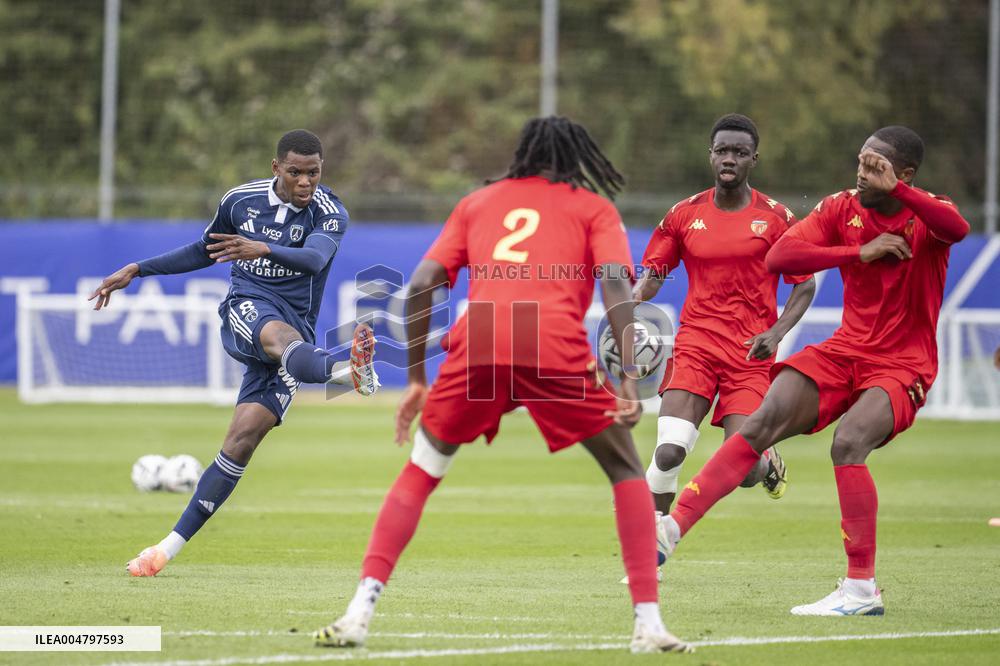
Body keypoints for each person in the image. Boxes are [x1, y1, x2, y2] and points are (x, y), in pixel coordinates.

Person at [313, 116, 691, 653]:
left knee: (424, 467)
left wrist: (418, 379)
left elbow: (422, 283)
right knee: (627, 469)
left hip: (484, 334)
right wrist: (628, 375)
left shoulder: (478, 202)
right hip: (551, 341)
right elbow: (613, 281)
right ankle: (648, 625)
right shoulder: (592, 207)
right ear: (576, 158)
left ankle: (358, 613)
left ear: (524, 154)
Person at [656, 125, 969, 615]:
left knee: (849, 442)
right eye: (861, 162)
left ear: (904, 174)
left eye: (876, 167)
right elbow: (781, 255)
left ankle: (861, 589)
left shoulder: (926, 212)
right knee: (761, 424)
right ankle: (670, 530)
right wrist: (857, 252)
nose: (862, 174)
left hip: (904, 362)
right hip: (845, 350)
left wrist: (900, 192)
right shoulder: (841, 208)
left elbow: (958, 229)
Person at [89, 129, 380, 577]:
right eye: (296, 172)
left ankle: (162, 551)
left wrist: (263, 247)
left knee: (241, 442)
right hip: (248, 308)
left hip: (295, 323)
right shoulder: (241, 202)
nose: (306, 182)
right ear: (276, 168)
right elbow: (206, 250)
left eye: (314, 173)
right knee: (282, 343)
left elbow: (315, 260)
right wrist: (139, 269)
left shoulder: (330, 211)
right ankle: (344, 370)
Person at [634, 114, 815, 533]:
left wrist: (776, 332)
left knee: (745, 469)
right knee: (669, 451)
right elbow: (653, 274)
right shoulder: (683, 214)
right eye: (722, 151)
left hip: (750, 354)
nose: (729, 158)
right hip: (696, 344)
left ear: (754, 159)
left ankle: (767, 463)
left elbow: (804, 286)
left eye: (739, 152)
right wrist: (633, 301)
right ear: (710, 156)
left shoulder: (776, 219)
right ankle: (650, 546)